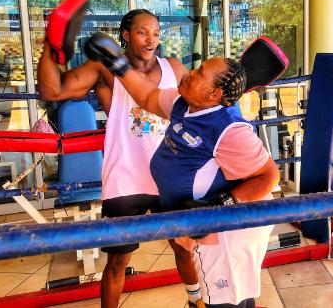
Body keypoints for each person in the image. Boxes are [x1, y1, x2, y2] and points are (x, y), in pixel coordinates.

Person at [83, 32, 279, 308]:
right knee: (233, 297)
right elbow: (149, 96)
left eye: (199, 73)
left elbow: (269, 176)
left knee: (221, 300)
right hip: (205, 223)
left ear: (213, 94)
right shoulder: (184, 102)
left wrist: (216, 208)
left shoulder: (230, 130)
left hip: (226, 231)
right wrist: (119, 66)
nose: (189, 74)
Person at [38, 9, 205, 308]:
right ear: (126, 35)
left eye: (155, 33)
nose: (151, 39)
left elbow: (203, 105)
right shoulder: (105, 69)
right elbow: (52, 89)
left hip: (170, 179)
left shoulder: (174, 68)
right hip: (125, 180)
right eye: (143, 32)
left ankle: (196, 302)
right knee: (117, 262)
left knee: (184, 248)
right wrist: (51, 50)